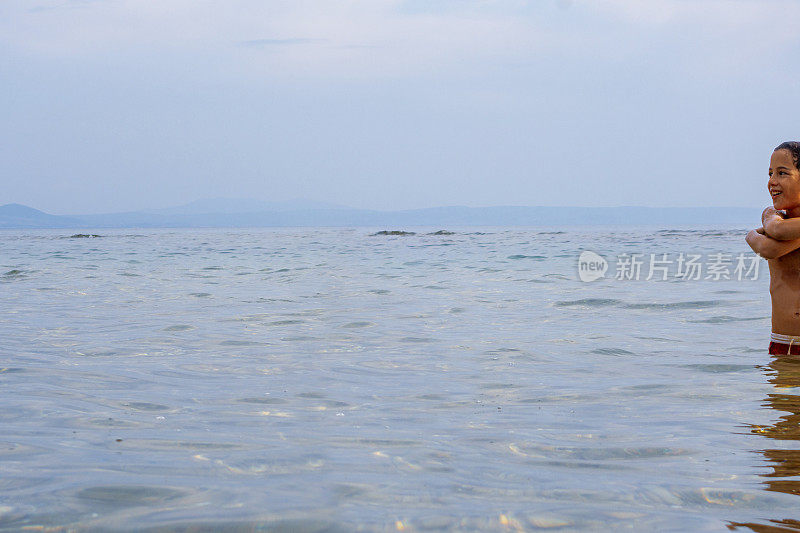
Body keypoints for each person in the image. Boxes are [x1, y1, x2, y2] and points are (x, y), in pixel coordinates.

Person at [746, 142, 800, 354]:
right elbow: (770, 245)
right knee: (777, 388)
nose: (772, 182)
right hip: (784, 344)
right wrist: (749, 235)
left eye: (782, 173)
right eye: (770, 174)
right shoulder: (772, 215)